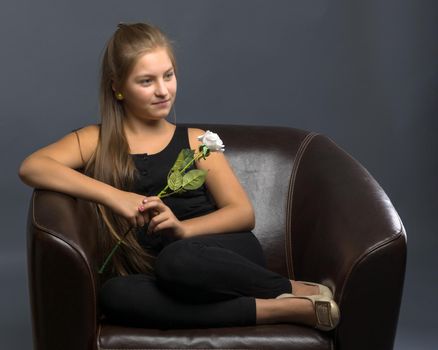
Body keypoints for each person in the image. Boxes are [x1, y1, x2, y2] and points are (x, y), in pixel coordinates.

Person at [18, 22, 339, 330]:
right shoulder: (95, 140)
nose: (162, 91)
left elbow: (243, 214)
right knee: (116, 294)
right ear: (117, 87)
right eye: (146, 81)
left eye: (168, 76)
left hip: (217, 252)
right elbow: (33, 167)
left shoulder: (197, 141)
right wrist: (115, 196)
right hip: (157, 270)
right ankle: (275, 309)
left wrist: (182, 230)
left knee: (177, 260)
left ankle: (293, 289)